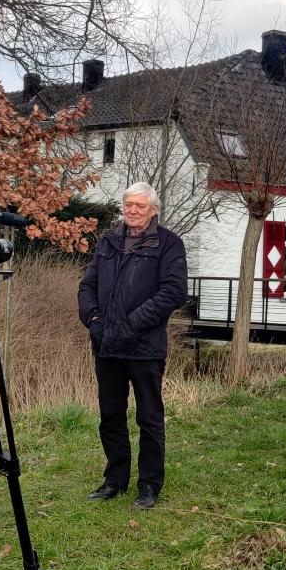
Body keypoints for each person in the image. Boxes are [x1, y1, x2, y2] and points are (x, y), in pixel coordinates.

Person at [78, 181, 188, 509]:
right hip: (107, 345)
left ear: (153, 209)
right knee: (110, 415)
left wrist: (130, 324)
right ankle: (115, 480)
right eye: (128, 205)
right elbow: (88, 285)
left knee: (149, 417)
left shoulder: (168, 244)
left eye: (139, 205)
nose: (132, 210)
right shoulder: (109, 242)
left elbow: (172, 292)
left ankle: (149, 485)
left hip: (145, 347)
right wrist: (94, 320)